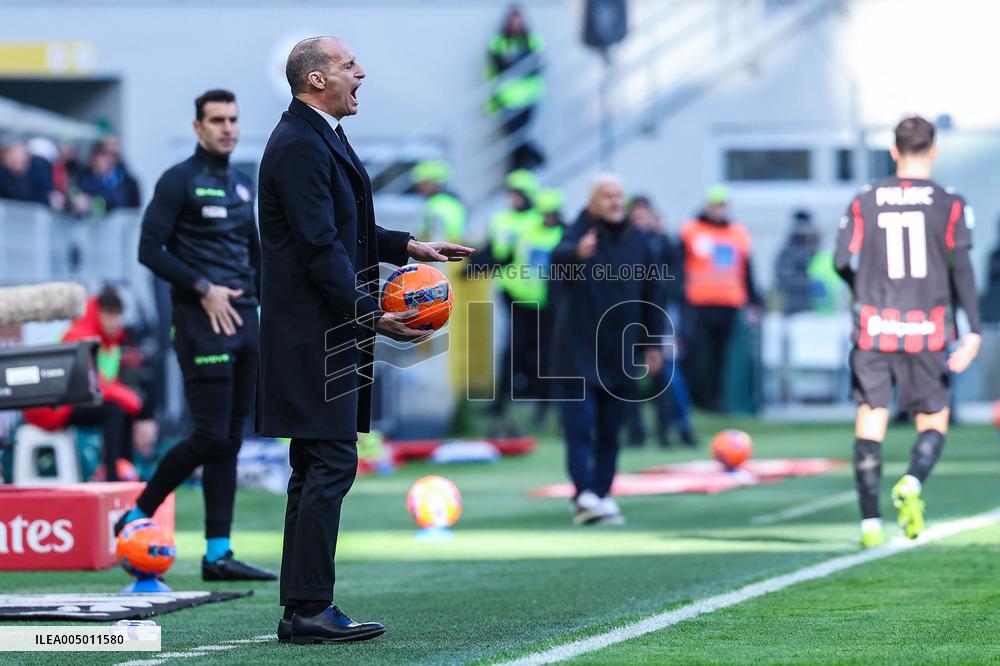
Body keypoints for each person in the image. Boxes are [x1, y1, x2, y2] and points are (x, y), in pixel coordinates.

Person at [257, 36, 472, 644]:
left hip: (326, 330)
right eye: (350, 66)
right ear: (317, 79)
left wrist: (409, 247)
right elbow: (319, 247)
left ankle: (302, 607)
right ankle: (309, 610)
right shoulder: (300, 141)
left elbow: (346, 229)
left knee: (316, 467)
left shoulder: (317, 132)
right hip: (314, 335)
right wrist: (369, 313)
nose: (362, 73)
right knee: (328, 463)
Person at [116, 89, 275, 582]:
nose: (227, 127)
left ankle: (218, 554)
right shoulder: (178, 180)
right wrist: (203, 288)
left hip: (246, 320)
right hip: (199, 322)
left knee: (229, 441)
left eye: (233, 119)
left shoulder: (244, 185)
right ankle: (136, 511)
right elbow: (149, 250)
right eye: (216, 120)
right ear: (198, 127)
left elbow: (256, 256)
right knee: (208, 434)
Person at [834, 116, 981, 548]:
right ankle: (913, 481)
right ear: (934, 150)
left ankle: (869, 525)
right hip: (927, 329)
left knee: (871, 418)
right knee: (932, 419)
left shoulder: (865, 199)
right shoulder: (950, 202)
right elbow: (963, 268)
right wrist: (971, 329)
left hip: (874, 329)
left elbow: (841, 259)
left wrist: (860, 289)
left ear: (894, 152)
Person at [549, 175, 665, 526]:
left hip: (621, 349)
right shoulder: (577, 232)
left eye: (618, 195)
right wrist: (576, 254)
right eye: (606, 196)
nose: (615, 201)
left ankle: (599, 494)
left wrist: (652, 343)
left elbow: (652, 293)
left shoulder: (640, 240)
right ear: (591, 203)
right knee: (580, 425)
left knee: (613, 428)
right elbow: (556, 260)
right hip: (577, 349)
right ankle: (584, 493)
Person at [23, 285, 157, 480]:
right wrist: (137, 404)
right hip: (51, 408)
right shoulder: (80, 335)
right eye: (109, 315)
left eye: (117, 316)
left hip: (70, 402)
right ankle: (112, 477)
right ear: (98, 313)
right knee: (114, 410)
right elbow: (95, 385)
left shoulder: (109, 343)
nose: (114, 322)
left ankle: (125, 470)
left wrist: (134, 405)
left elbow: (106, 386)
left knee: (121, 408)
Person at [679, 185, 761, 411]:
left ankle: (715, 402)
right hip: (698, 303)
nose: (719, 209)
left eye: (722, 205)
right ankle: (696, 400)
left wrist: (754, 301)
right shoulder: (691, 230)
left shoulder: (738, 233)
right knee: (697, 355)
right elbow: (679, 268)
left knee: (720, 357)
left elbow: (747, 269)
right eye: (716, 205)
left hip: (729, 303)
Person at [625, 195, 697, 448]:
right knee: (629, 377)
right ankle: (636, 432)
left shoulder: (664, 243)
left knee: (667, 374)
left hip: (660, 318)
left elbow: (676, 279)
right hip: (631, 319)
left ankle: (677, 428)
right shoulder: (625, 244)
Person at [486, 4, 545, 171]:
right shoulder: (499, 42)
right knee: (515, 139)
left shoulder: (532, 40)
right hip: (507, 98)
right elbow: (497, 65)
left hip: (528, 97)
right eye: (513, 20)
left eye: (518, 20)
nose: (516, 24)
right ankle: (532, 161)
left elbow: (537, 65)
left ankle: (518, 171)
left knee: (520, 137)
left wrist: (513, 62)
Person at [774, 210, 820, 315]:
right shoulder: (788, 252)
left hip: (816, 309)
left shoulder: (816, 250)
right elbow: (782, 277)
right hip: (794, 307)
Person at [411, 160, 466, 243]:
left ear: (434, 183)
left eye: (423, 183)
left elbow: (437, 235)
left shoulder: (439, 204)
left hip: (445, 251)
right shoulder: (450, 201)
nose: (419, 188)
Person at [75, 143, 140, 213]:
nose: (108, 159)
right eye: (104, 154)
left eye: (112, 155)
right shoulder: (83, 176)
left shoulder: (127, 181)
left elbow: (121, 204)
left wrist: (94, 203)